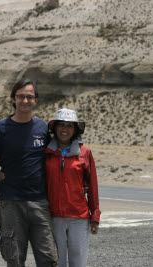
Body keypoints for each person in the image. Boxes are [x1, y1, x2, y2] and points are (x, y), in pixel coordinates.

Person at [0, 79, 58, 267]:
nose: (25, 100)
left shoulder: (43, 128)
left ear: (36, 100)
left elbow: (54, 162)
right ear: (13, 99)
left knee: (48, 258)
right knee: (14, 258)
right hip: (10, 204)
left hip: (40, 202)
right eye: (21, 96)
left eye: (29, 97)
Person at [45, 108, 101, 267]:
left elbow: (93, 187)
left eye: (69, 126)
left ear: (75, 129)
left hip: (79, 217)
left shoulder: (85, 153)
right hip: (53, 216)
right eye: (61, 125)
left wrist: (95, 216)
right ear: (54, 128)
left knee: (78, 261)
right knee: (57, 261)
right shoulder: (46, 152)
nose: (64, 129)